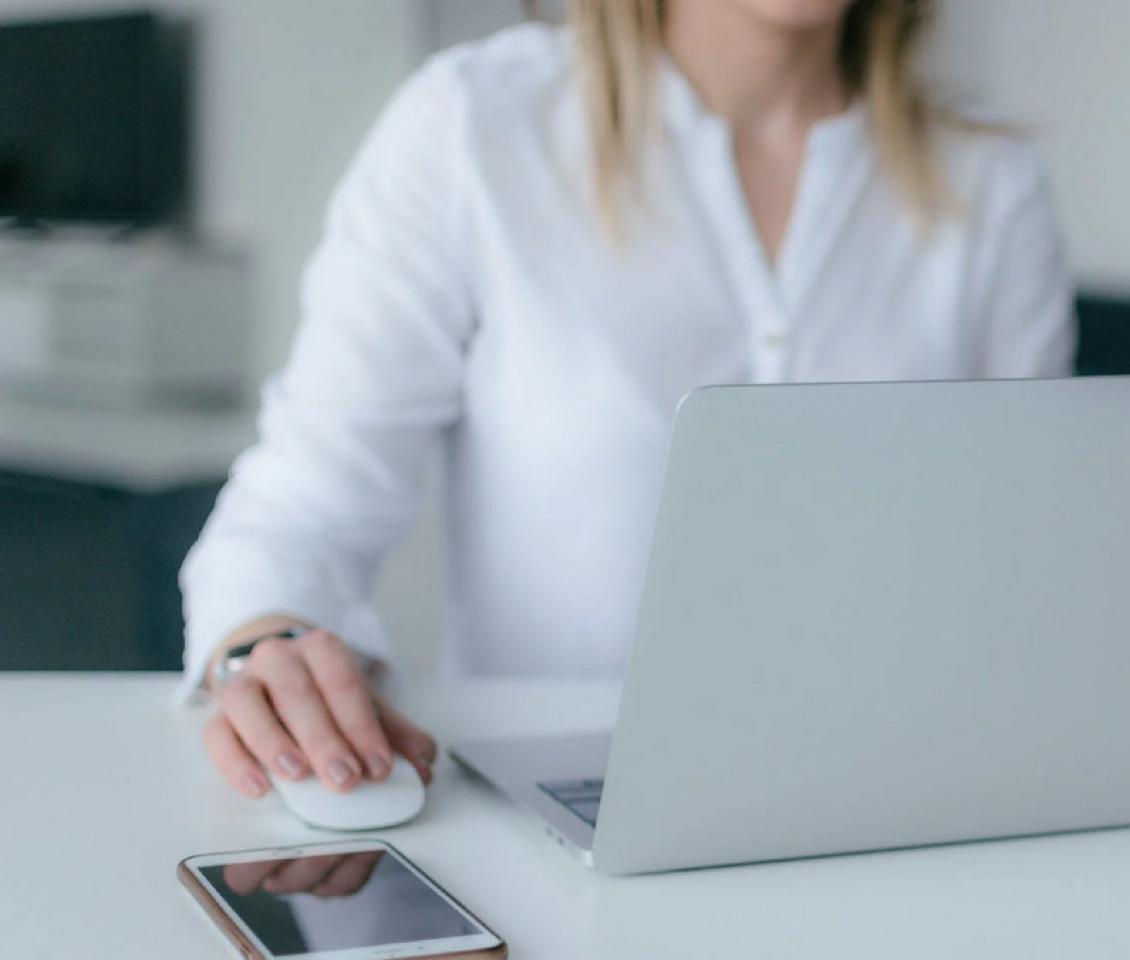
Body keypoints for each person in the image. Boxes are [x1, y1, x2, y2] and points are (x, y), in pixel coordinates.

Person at [182, 0, 1075, 800]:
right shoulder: (473, 126)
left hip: (897, 801)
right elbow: (300, 511)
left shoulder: (991, 179)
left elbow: (1029, 565)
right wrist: (264, 646)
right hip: (552, 806)